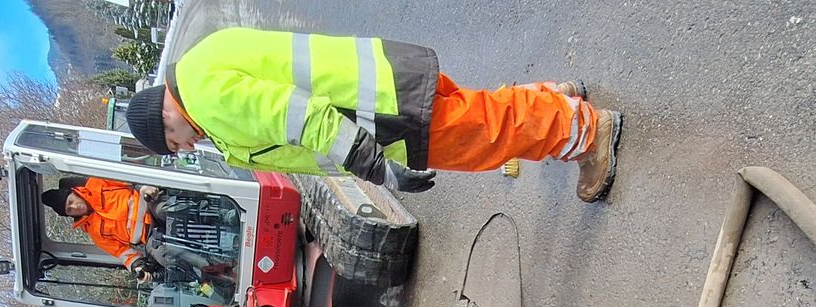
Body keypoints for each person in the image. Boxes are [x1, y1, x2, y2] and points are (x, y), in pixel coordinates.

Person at [125, 27, 622, 203]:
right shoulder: (201, 63)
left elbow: (301, 117)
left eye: (173, 142)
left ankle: (581, 130)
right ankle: (552, 100)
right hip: (379, 82)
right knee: (475, 111)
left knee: (481, 137)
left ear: (164, 116)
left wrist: (373, 165)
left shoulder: (206, 97)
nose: (187, 147)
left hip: (377, 117)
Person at [41, 176, 214, 283]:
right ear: (69, 215)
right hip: (149, 238)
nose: (75, 206)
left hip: (149, 204)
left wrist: (143, 187)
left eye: (71, 201)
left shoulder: (98, 183)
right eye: (69, 209)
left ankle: (217, 214)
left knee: (165, 209)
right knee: (164, 256)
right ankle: (212, 268)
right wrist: (137, 268)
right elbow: (123, 253)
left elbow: (129, 178)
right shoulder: (94, 232)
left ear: (74, 193)